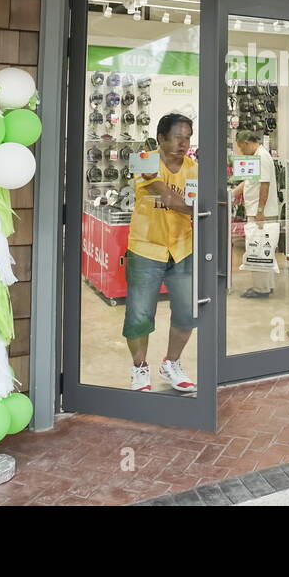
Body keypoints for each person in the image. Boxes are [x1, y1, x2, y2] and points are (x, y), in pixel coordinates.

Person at [124, 113, 199, 393]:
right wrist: (202, 209)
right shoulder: (144, 160)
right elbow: (168, 198)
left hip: (183, 248)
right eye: (178, 137)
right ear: (161, 138)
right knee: (139, 315)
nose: (184, 143)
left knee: (187, 313)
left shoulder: (194, 168)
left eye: (188, 137)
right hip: (146, 247)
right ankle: (139, 368)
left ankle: (172, 363)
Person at [231, 129, 280, 298]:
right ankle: (267, 285)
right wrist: (232, 194)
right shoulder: (257, 156)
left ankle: (261, 289)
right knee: (264, 249)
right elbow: (249, 181)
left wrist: (260, 210)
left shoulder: (262, 157)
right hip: (256, 211)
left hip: (261, 214)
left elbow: (264, 185)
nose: (241, 152)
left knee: (257, 249)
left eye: (241, 148)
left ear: (246, 143)